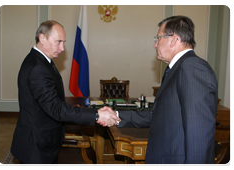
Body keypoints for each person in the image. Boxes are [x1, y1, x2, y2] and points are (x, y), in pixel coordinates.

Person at [100, 15, 218, 166]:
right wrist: (116, 115)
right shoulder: (176, 68)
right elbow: (158, 115)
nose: (155, 45)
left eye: (158, 38)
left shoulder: (192, 67)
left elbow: (199, 134)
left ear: (173, 39)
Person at [11, 20, 120, 166]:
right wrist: (96, 115)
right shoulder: (38, 67)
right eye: (58, 41)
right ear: (42, 38)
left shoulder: (41, 61)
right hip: (36, 146)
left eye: (64, 42)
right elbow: (56, 108)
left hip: (43, 141)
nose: (62, 48)